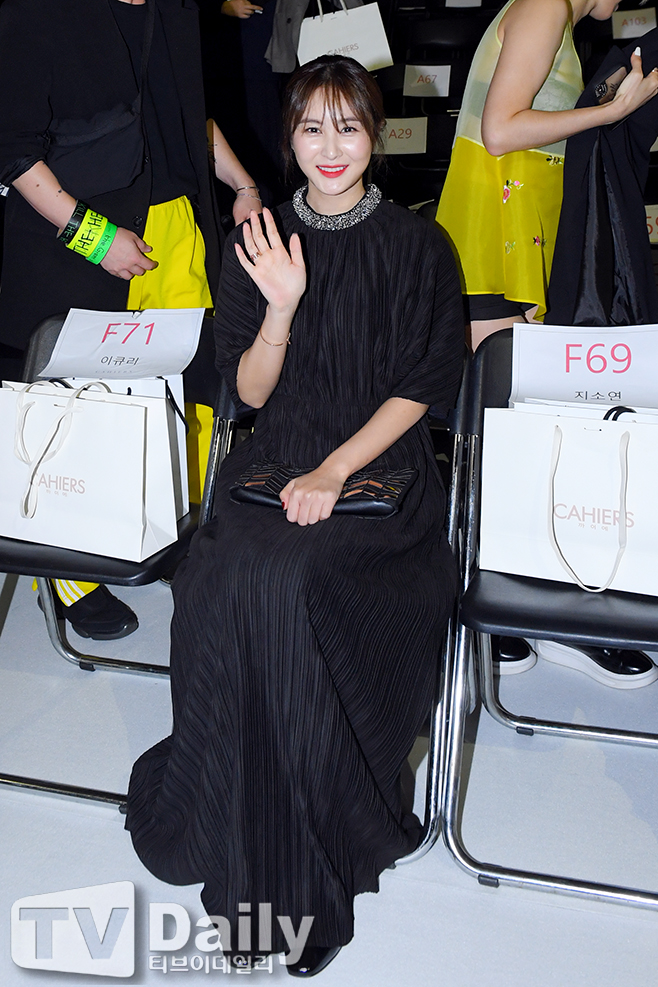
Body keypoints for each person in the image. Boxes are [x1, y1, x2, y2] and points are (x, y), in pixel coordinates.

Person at [125, 55, 463, 976]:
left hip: (378, 477)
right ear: (289, 139)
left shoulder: (419, 246)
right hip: (273, 464)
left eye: (347, 125)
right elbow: (244, 391)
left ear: (376, 134)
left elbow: (424, 386)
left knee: (290, 582)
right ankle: (225, 820)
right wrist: (280, 307)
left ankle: (302, 874)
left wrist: (335, 469)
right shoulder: (260, 240)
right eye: (311, 127)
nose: (329, 146)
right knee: (216, 576)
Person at [0, 0, 260, 640]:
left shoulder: (176, 8)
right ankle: (70, 573)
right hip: (79, 233)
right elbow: (11, 147)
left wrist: (242, 184)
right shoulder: (36, 12)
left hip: (175, 220)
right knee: (79, 404)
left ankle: (171, 529)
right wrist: (93, 238)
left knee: (189, 391)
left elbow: (187, 110)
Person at [436, 0, 658, 351]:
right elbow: (500, 132)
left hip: (520, 227)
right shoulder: (545, 6)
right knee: (502, 381)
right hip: (493, 230)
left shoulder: (555, 15)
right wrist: (614, 111)